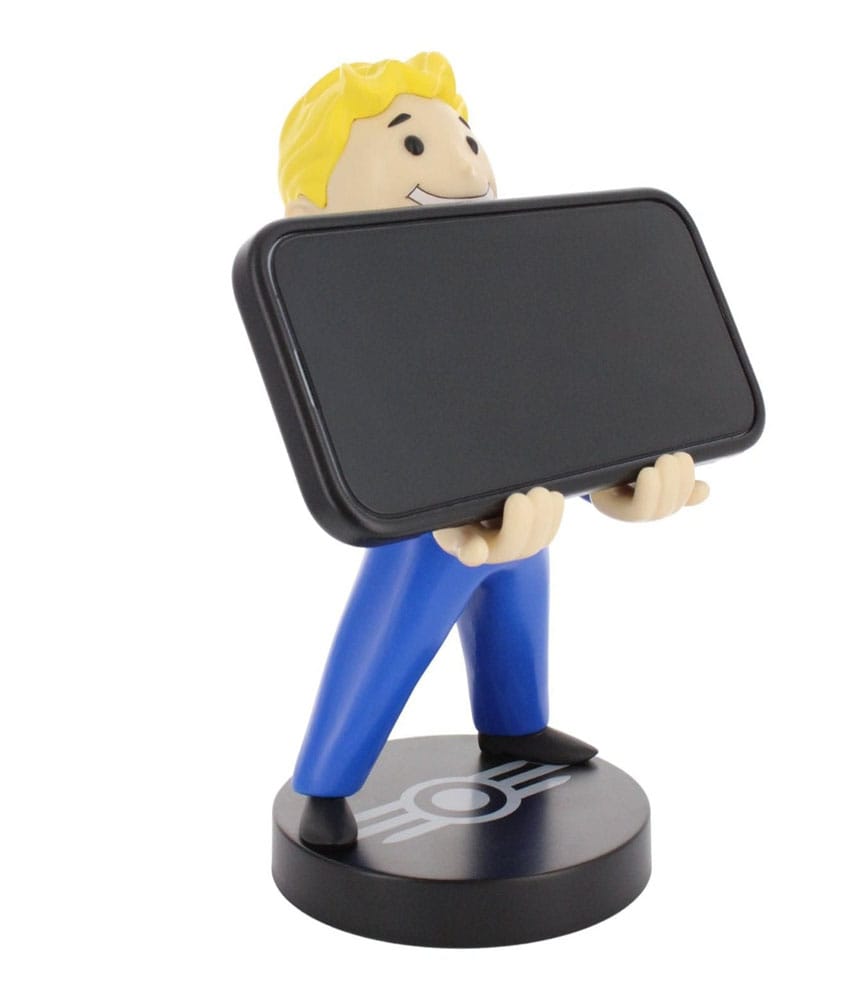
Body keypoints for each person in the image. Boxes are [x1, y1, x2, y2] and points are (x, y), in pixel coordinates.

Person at [277, 53, 709, 847]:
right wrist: (447, 517)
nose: (467, 166)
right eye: (413, 145)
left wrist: (615, 477)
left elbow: (549, 402)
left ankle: (515, 727)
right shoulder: (354, 317)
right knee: (392, 638)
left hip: (523, 503)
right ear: (310, 214)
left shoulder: (503, 288)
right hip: (430, 528)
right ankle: (326, 782)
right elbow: (375, 436)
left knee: (517, 606)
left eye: (467, 140)